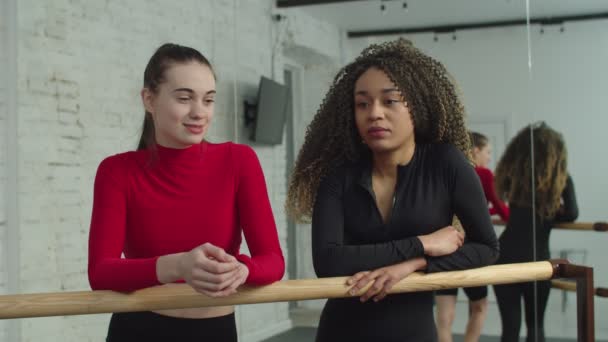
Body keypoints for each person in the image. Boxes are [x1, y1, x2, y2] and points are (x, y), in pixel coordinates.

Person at [285, 38, 499, 342]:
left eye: (390, 101)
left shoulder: (445, 163)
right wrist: (422, 243)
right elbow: (329, 262)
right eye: (362, 103)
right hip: (342, 332)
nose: (374, 113)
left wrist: (414, 264)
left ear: (417, 106)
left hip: (413, 332)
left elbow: (486, 248)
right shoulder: (338, 175)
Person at [88, 43, 285, 341]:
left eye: (208, 100)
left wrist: (241, 270)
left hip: (214, 331)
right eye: (184, 98)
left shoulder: (239, 161)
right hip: (139, 331)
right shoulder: (117, 171)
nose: (199, 112)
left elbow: (273, 260)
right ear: (149, 99)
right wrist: (178, 265)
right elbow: (101, 272)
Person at [493, 122, 578, 342]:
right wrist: (549, 213)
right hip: (536, 259)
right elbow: (572, 213)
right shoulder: (561, 179)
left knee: (510, 329)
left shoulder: (514, 176)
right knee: (535, 327)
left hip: (505, 255)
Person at [435, 131, 509, 342]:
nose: (488, 157)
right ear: (475, 150)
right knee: (479, 307)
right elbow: (503, 211)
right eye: (487, 151)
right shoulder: (484, 174)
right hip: (471, 249)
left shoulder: (446, 171)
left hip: (445, 246)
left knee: (444, 316)